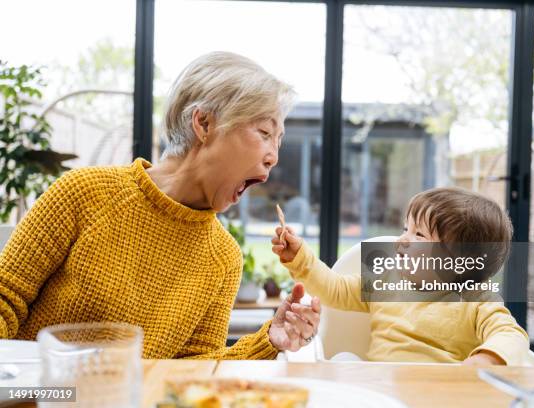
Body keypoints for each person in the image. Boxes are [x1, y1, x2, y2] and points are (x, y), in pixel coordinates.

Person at [0, 51, 320, 359]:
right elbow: (5, 300)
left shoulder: (224, 257)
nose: (274, 158)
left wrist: (268, 342)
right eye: (265, 132)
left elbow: (194, 367)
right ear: (204, 124)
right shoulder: (83, 194)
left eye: (278, 141)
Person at [272, 187, 529, 365]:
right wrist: (300, 258)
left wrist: (485, 360)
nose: (402, 240)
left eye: (419, 235)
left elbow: (511, 335)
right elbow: (334, 289)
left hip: (438, 397)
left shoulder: (477, 300)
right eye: (406, 229)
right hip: (379, 390)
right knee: (344, 361)